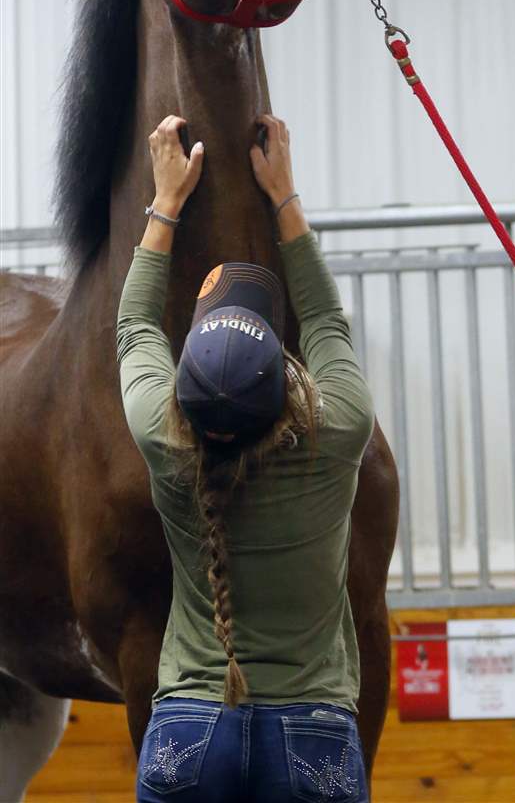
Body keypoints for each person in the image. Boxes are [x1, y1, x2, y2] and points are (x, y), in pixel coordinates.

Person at [117, 113, 375, 802]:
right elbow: (324, 318)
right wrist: (284, 195)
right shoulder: (339, 431)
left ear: (183, 390)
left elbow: (136, 323)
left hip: (188, 728)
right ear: (288, 382)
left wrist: (165, 201)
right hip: (312, 726)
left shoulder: (163, 438)